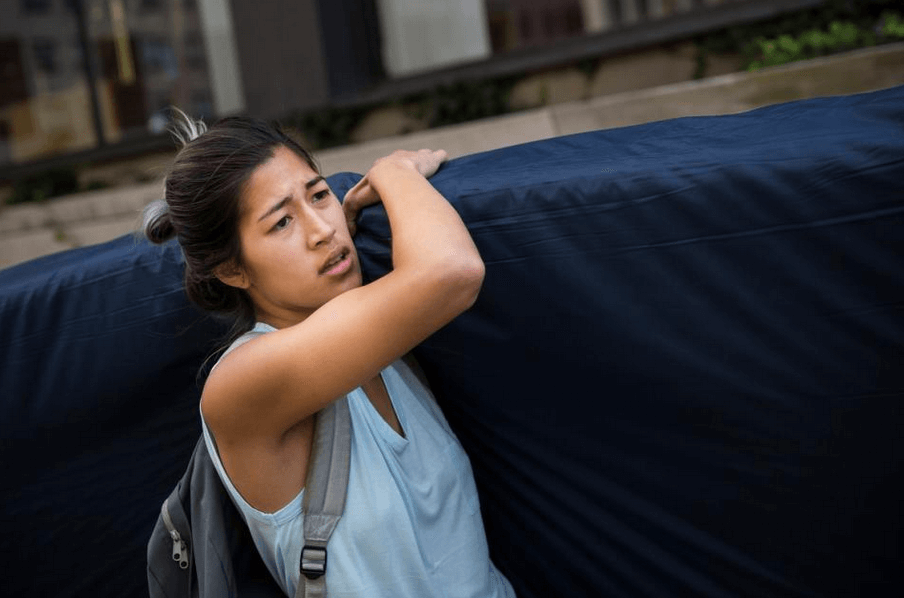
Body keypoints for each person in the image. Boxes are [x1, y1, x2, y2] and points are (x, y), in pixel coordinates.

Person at [143, 111, 516, 598]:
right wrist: (394, 172)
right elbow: (452, 271)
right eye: (282, 222)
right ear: (233, 269)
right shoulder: (241, 382)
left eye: (320, 195)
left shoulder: (383, 340)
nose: (323, 230)